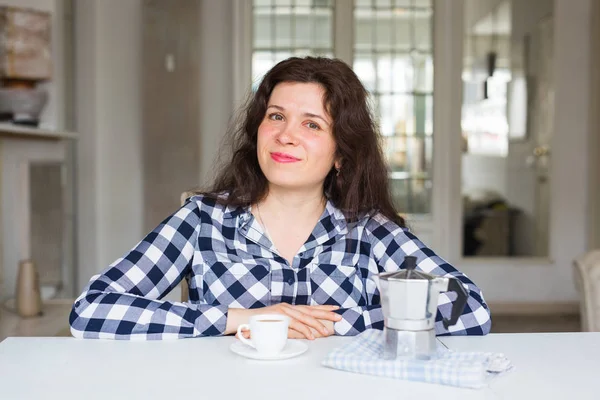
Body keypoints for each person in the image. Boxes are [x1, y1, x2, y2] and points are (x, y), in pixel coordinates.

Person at [70, 56, 491, 340]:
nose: (285, 135)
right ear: (258, 130)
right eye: (276, 116)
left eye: (311, 124)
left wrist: (334, 325)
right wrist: (241, 319)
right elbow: (91, 310)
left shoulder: (369, 229)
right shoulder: (203, 219)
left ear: (341, 153)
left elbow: (469, 308)